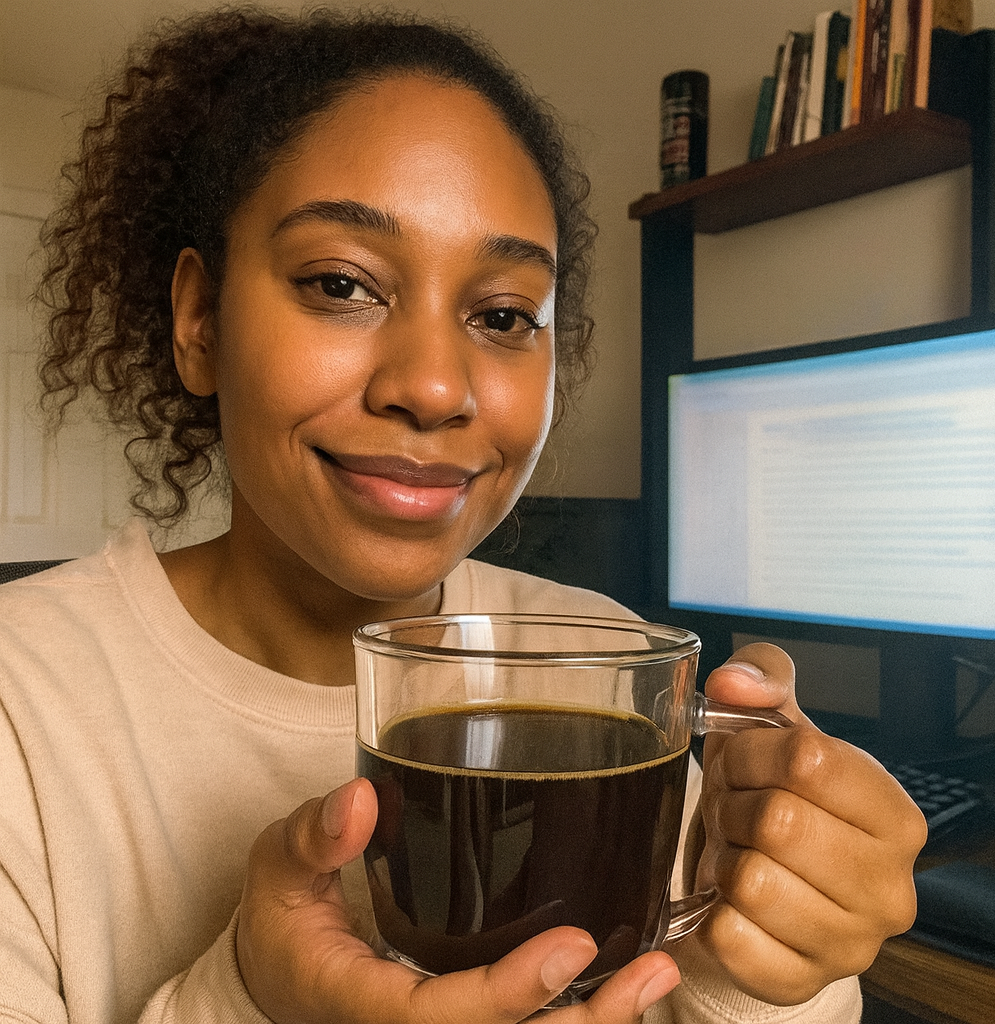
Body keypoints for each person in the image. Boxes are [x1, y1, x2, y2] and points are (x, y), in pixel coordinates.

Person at [0, 8, 926, 1023]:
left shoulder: (609, 665)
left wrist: (767, 958)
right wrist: (250, 998)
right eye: (340, 283)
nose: (436, 386)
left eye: (499, 316)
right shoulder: (25, 708)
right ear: (197, 321)